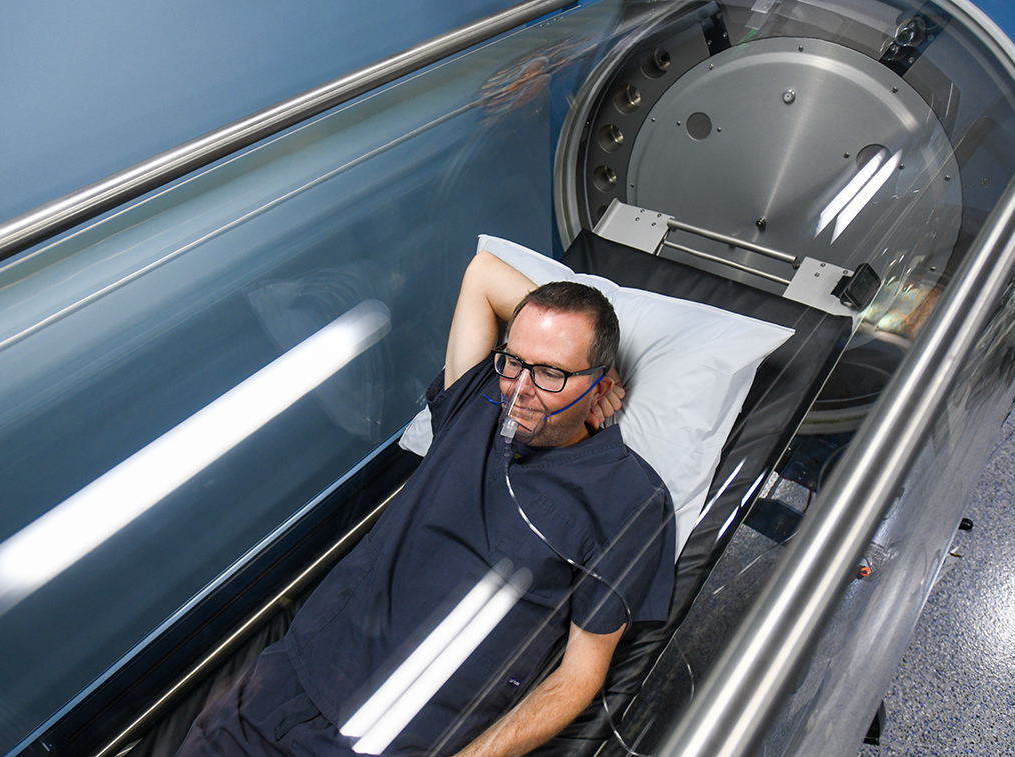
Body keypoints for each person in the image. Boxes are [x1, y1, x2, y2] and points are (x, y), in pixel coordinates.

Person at [175, 251, 676, 757]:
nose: (522, 390)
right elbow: (482, 273)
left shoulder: (630, 502)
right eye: (516, 361)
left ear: (603, 386)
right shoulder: (479, 400)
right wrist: (554, 364)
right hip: (285, 684)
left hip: (394, 735)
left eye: (549, 373)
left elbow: (577, 677)